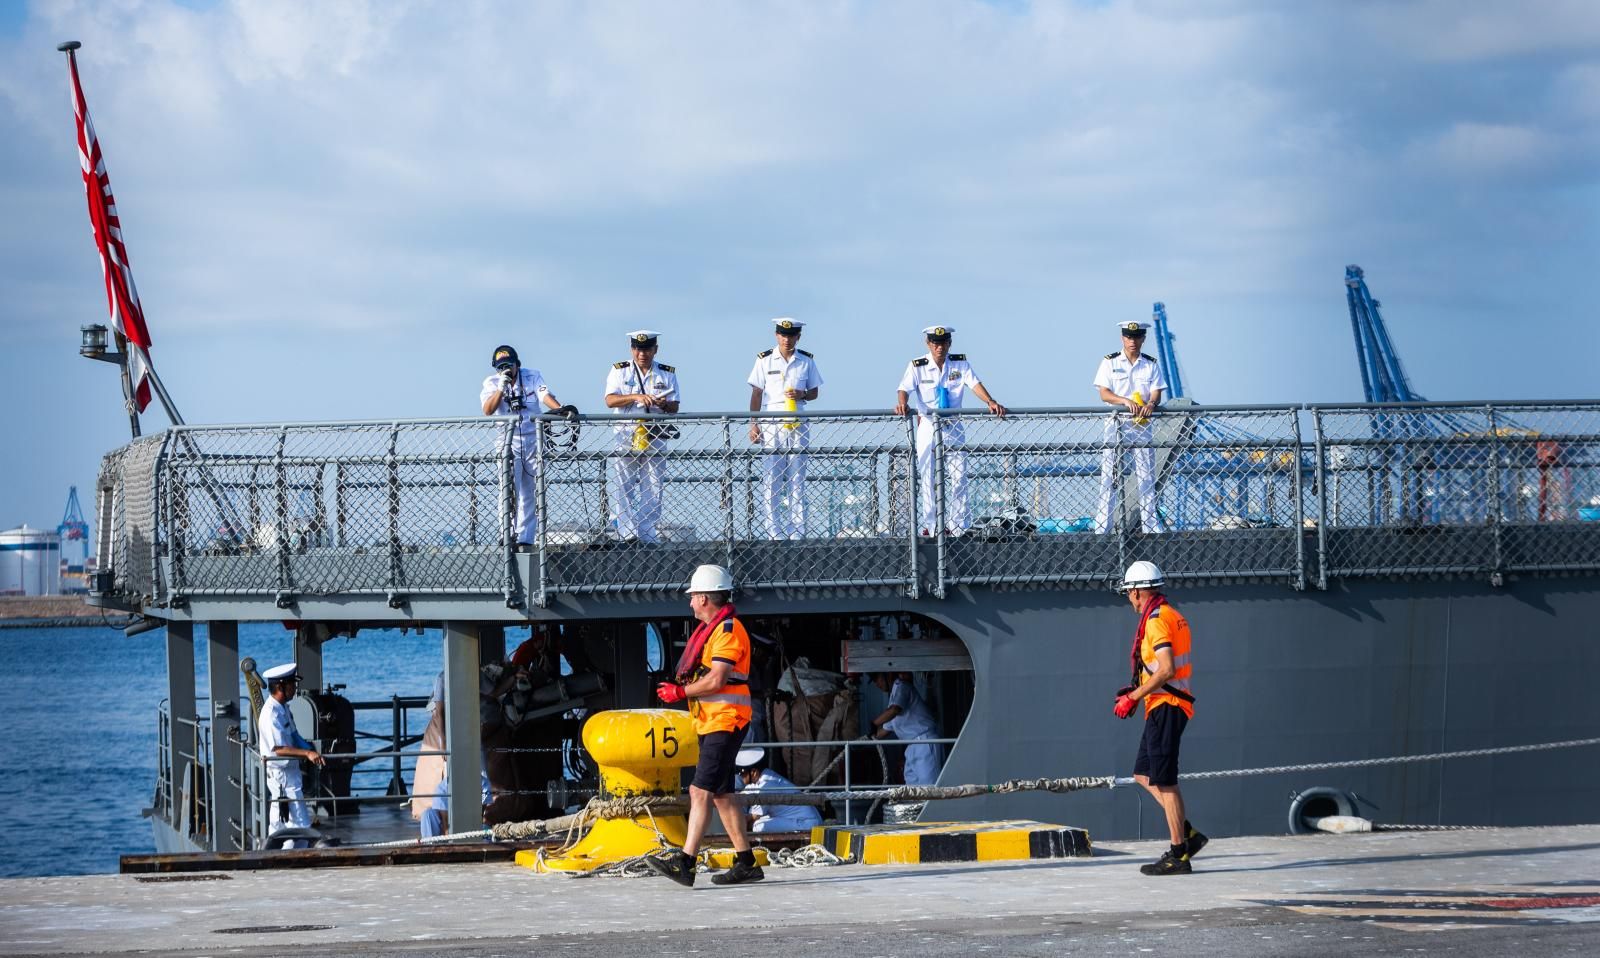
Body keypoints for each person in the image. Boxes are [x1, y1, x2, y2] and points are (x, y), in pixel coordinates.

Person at [647, 564, 762, 887]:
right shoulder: (716, 629)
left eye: (693, 596)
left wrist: (679, 692)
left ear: (705, 599)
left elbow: (717, 678)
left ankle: (685, 863)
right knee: (722, 793)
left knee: (699, 790)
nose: (690, 602)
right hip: (714, 721)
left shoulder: (727, 631)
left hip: (725, 721)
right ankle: (746, 863)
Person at [1112, 560, 1207, 875]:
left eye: (1129, 592)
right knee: (1143, 774)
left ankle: (1179, 854)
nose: (1129, 598)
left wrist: (1133, 697)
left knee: (1165, 781)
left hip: (1167, 705)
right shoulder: (1173, 615)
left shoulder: (1154, 621)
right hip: (1163, 704)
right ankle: (1188, 834)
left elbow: (1166, 668)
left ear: (1138, 591)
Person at [894, 326, 1007, 535]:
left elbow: (974, 384)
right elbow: (904, 389)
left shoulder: (959, 363)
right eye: (935, 343)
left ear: (949, 344)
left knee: (959, 476)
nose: (939, 347)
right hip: (928, 425)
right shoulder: (917, 366)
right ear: (928, 344)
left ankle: (958, 526)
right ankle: (933, 526)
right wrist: (902, 403)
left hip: (953, 425)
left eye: (944, 343)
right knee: (928, 477)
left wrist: (990, 401)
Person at [479, 344, 570, 551]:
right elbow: (487, 409)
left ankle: (525, 537)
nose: (506, 370)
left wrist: (561, 410)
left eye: (509, 366)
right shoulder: (491, 382)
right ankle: (506, 533)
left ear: (517, 364)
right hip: (508, 441)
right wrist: (501, 388)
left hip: (532, 438)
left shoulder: (532, 376)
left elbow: (544, 396)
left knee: (530, 490)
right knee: (508, 488)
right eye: (501, 367)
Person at [747, 318, 824, 539]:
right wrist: (754, 423)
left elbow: (814, 393)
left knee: (797, 476)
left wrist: (802, 394)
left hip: (798, 417)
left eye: (791, 336)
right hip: (772, 419)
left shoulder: (806, 361)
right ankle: (774, 531)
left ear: (798, 337)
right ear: (776, 335)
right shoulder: (764, 360)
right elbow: (756, 394)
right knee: (772, 476)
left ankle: (797, 530)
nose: (787, 339)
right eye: (783, 335)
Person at [603, 330, 681, 543]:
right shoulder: (620, 370)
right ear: (632, 349)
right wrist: (636, 397)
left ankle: (647, 531)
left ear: (655, 350)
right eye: (638, 349)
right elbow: (610, 400)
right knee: (624, 482)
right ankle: (627, 532)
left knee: (654, 483)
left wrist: (662, 404)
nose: (642, 354)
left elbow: (674, 406)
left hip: (654, 432)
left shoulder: (666, 372)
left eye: (646, 349)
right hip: (627, 432)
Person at [1093, 322, 1168, 534]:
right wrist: (1125, 401)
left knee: (1146, 476)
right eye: (1128, 337)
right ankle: (1102, 527)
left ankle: (1150, 526)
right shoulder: (1110, 362)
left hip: (1142, 425)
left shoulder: (1150, 364)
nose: (1132, 341)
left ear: (1143, 339)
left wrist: (1151, 404)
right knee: (1110, 476)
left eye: (1136, 337)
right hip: (1116, 424)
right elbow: (1104, 393)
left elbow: (1156, 391)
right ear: (1122, 338)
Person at [256, 662, 324, 849]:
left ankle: (276, 859)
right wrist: (307, 753)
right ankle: (296, 861)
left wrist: (311, 749)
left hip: (290, 777)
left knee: (281, 826)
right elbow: (278, 749)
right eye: (291, 685)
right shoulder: (270, 714)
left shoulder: (283, 709)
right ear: (280, 687)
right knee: (300, 826)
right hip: (281, 779)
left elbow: (294, 735)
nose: (295, 688)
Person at [870, 672, 943, 786]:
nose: (875, 683)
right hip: (912, 747)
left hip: (925, 742)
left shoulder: (901, 686)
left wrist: (874, 723)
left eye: (876, 678)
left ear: (887, 674)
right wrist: (866, 738)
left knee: (929, 789)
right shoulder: (892, 700)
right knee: (912, 789)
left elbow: (895, 710)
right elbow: (883, 731)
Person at [734, 746, 822, 834]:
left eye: (742, 773)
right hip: (798, 819)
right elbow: (743, 794)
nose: (740, 776)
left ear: (754, 772)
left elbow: (754, 817)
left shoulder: (766, 786)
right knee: (760, 820)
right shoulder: (763, 777)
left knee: (758, 826)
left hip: (805, 823)